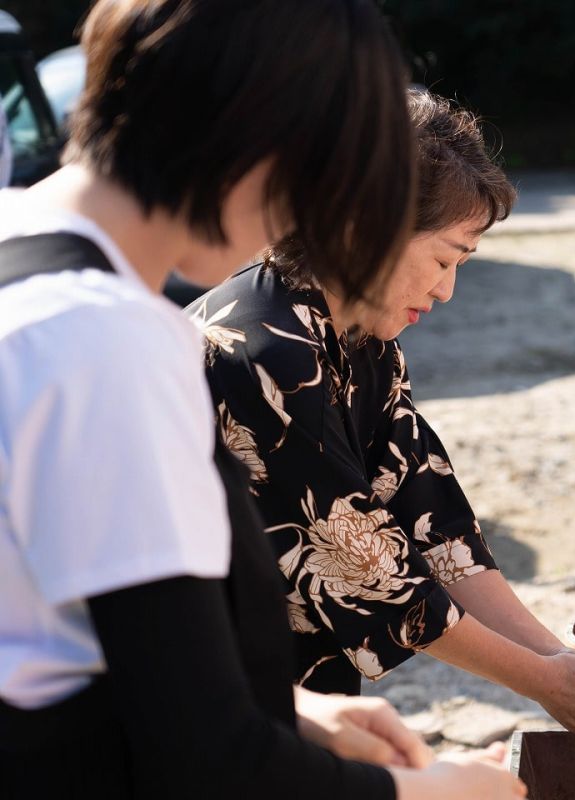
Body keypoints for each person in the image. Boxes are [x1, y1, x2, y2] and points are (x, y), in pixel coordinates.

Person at [0, 1, 522, 798]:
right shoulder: (107, 341)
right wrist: (436, 792)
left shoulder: (23, 247)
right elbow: (209, 758)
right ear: (262, 139)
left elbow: (77, 643)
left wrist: (297, 709)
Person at [188, 89, 575, 770]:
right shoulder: (260, 356)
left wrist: (558, 660)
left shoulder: (356, 327)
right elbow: (377, 578)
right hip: (194, 693)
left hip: (284, 688)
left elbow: (431, 514)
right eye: (445, 258)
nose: (446, 291)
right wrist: (545, 682)